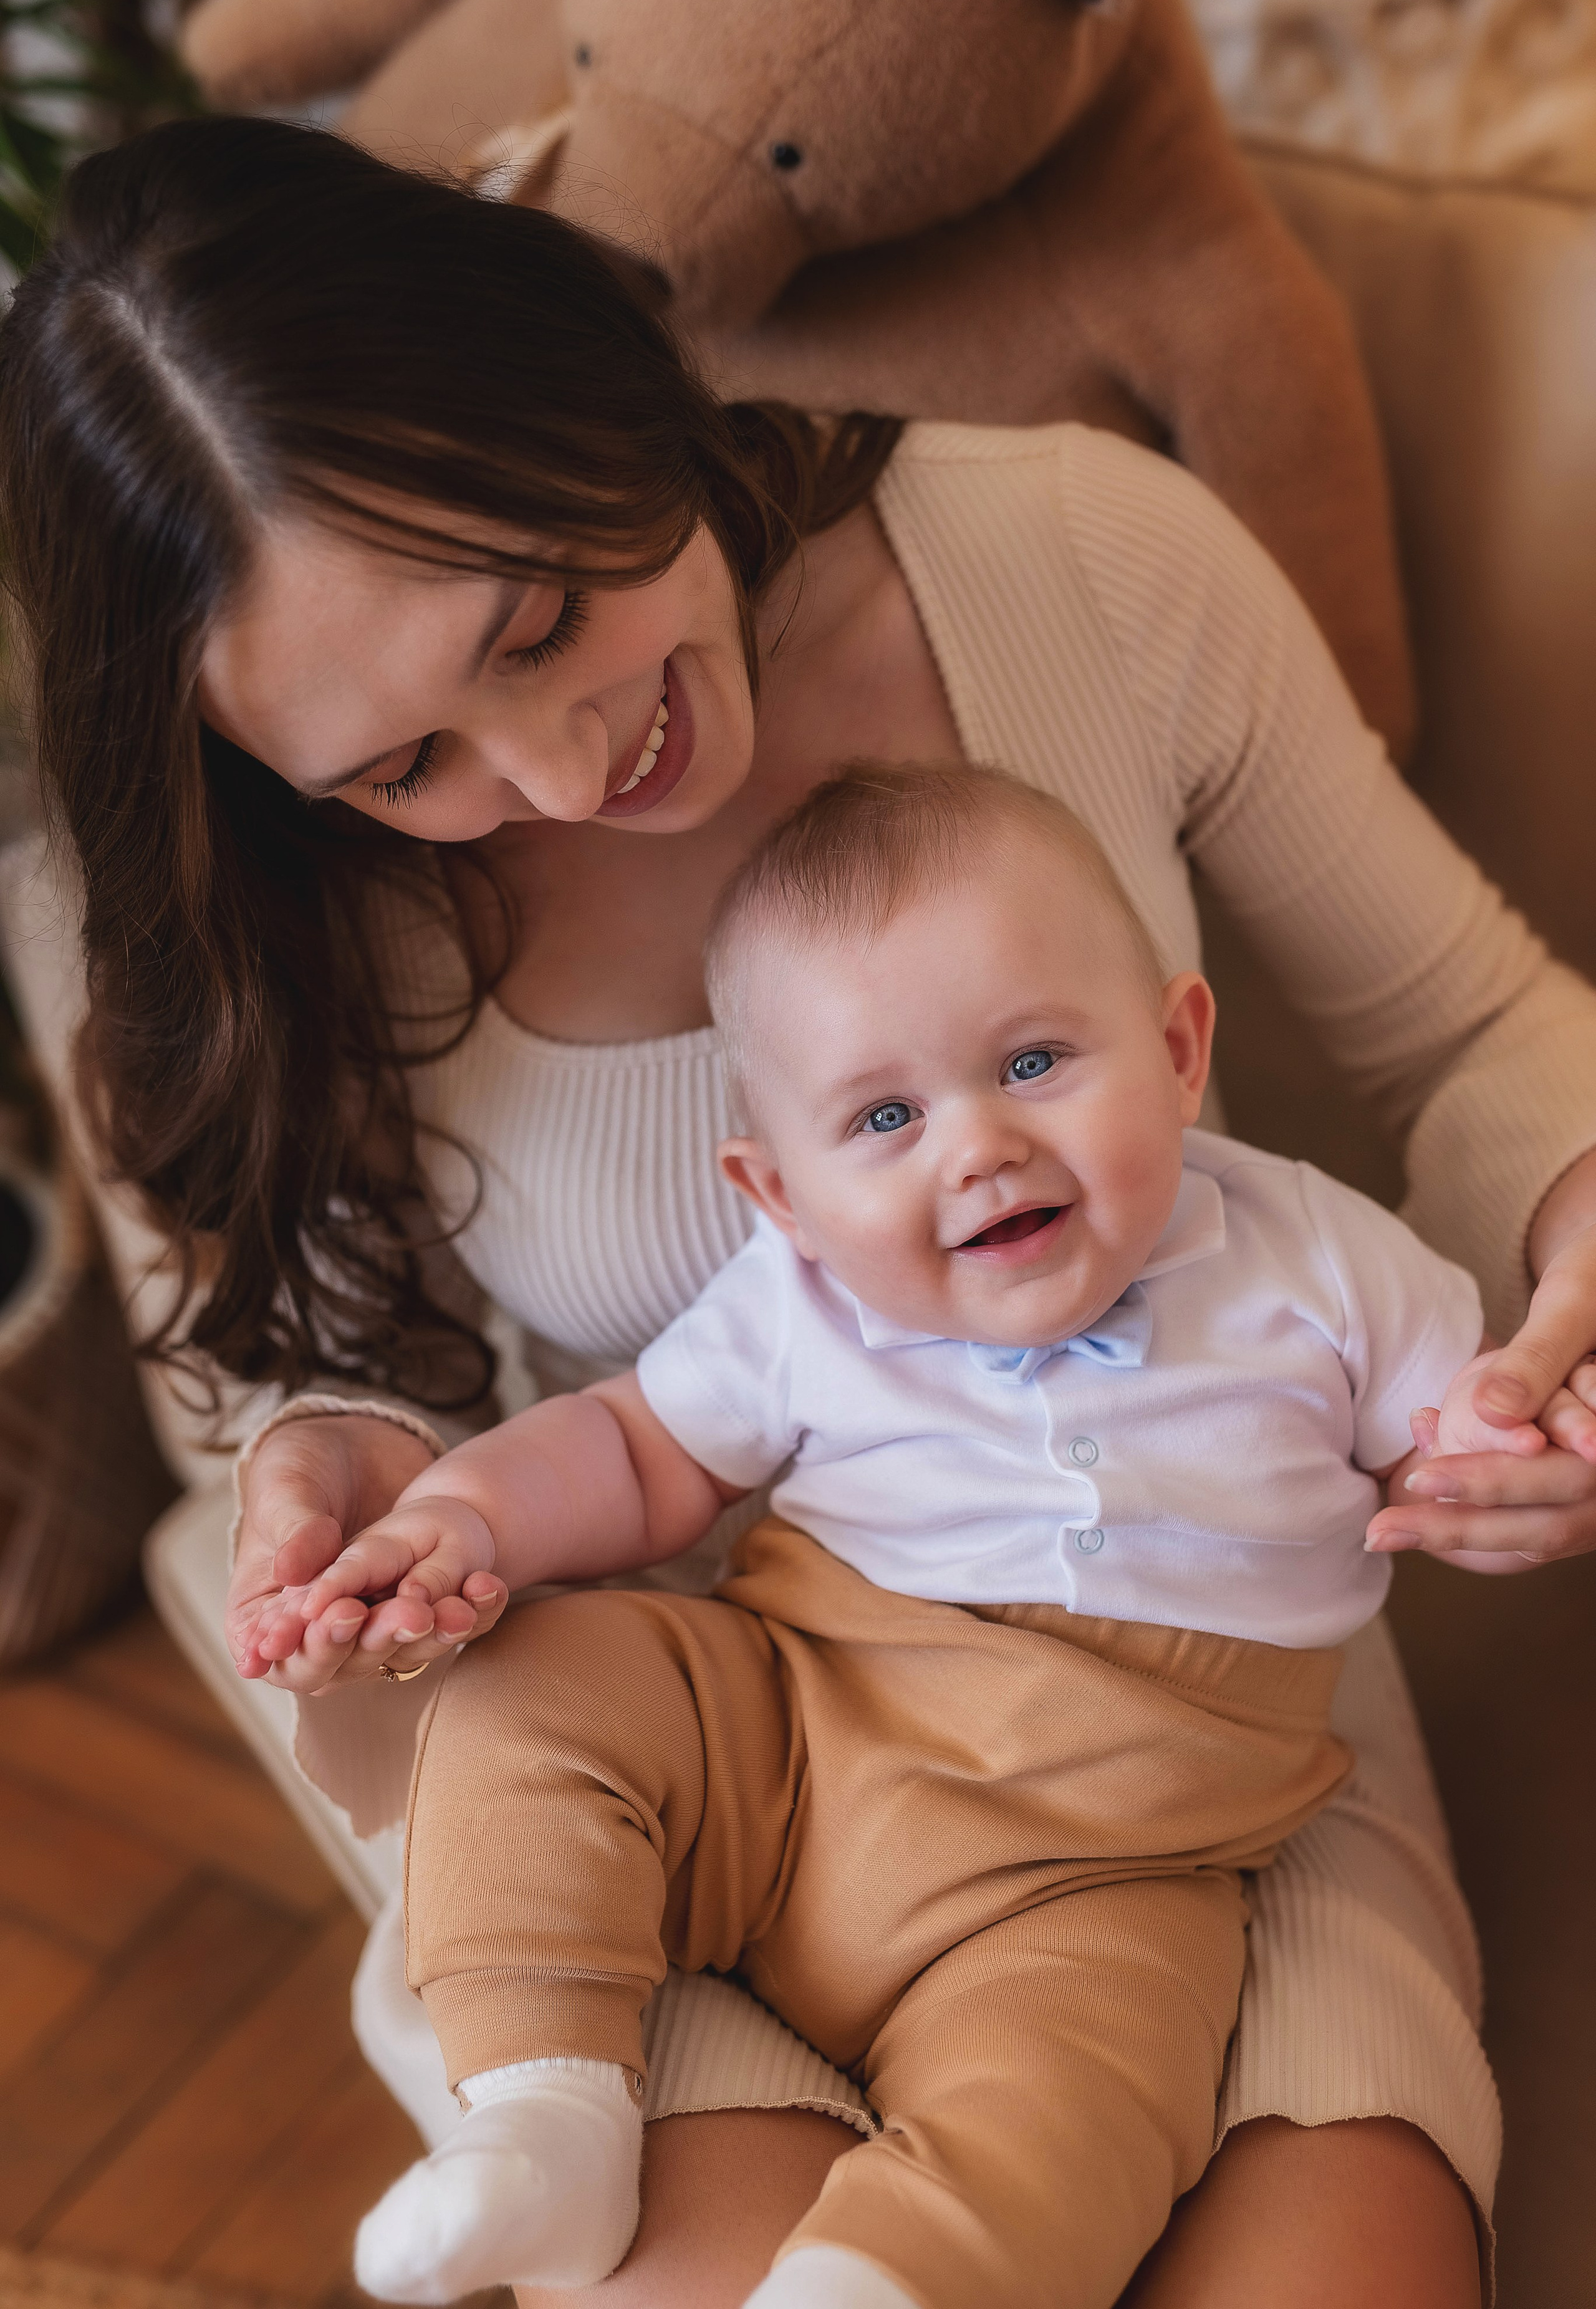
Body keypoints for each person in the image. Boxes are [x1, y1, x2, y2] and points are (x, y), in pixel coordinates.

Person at [4, 113, 1596, 2307]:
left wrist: (1556, 1301)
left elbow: (1477, 1028)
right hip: (693, 1734)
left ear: (584, 372)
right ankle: (553, 2117)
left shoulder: (1078, 557)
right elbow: (318, 1354)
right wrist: (337, 1463)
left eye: (546, 614)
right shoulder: (288, 909)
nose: (559, 777)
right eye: (405, 768)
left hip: (1195, 1750)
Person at [256, 764, 1522, 2309]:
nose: (973, 1146)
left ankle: (882, 2278)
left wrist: (1509, 1459)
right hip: (787, 1737)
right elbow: (635, 1450)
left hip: (1099, 1865)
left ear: (1179, 1049)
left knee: (1077, 2102)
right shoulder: (797, 1307)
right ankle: (545, 2109)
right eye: (883, 1115)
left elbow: (1459, 1427)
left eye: (1037, 1059)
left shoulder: (1313, 1257)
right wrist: (460, 1518)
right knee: (531, 1679)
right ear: (777, 1196)